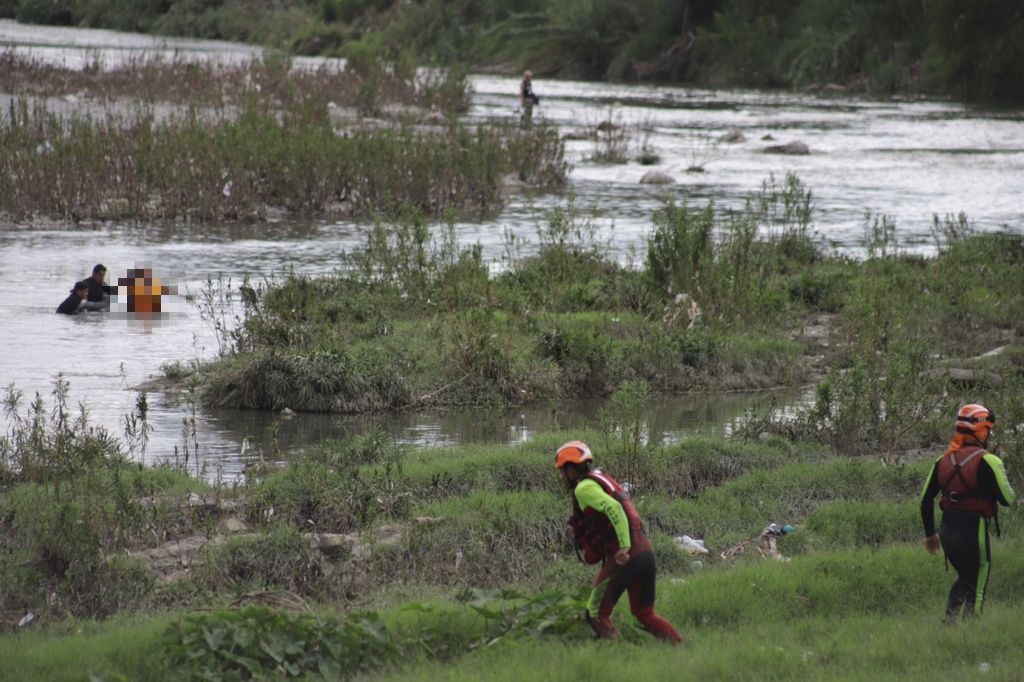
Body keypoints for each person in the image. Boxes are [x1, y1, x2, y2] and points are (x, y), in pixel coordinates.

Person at [554, 440, 682, 642]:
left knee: (595, 613)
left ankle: (621, 653)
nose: (562, 477)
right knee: (644, 614)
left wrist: (624, 546)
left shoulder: (583, 488)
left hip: (626, 556)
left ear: (571, 470)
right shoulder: (600, 478)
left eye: (562, 471)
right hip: (645, 552)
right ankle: (681, 649)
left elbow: (614, 508)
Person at [920, 403, 1015, 622]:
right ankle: (971, 628)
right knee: (977, 586)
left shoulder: (942, 460)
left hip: (947, 533)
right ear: (981, 430)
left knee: (966, 579)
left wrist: (930, 535)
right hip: (974, 532)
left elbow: (925, 500)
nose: (989, 434)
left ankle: (951, 623)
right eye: (988, 429)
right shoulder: (989, 460)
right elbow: (1007, 499)